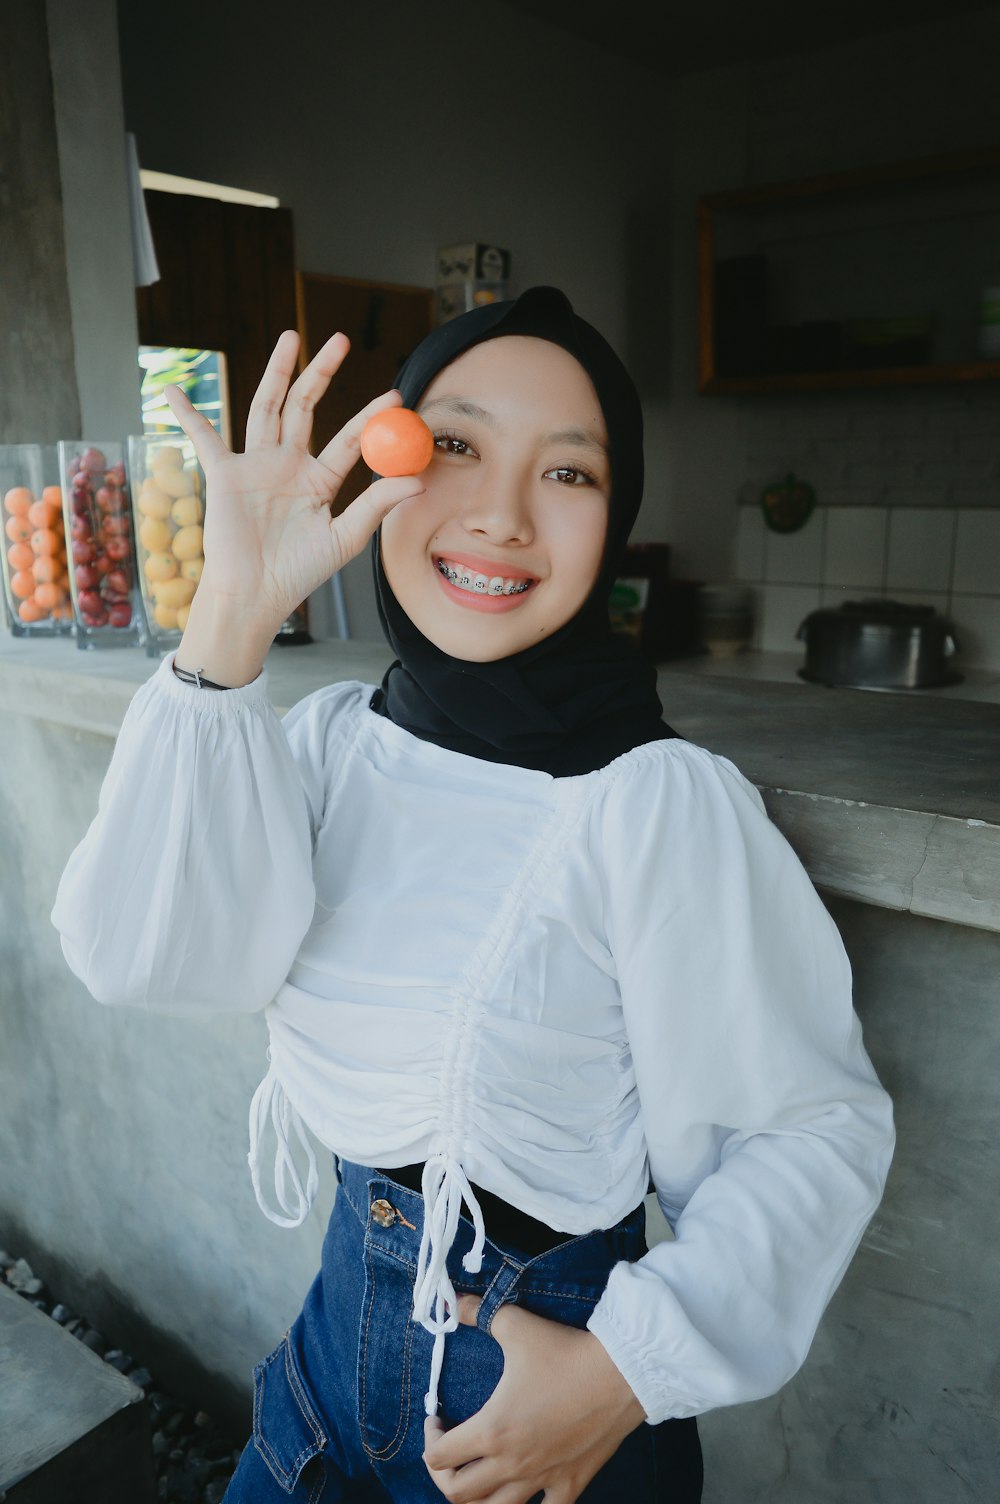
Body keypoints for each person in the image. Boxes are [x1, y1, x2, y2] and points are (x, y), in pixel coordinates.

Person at [51, 287, 894, 1504]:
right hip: (321, 1385)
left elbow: (810, 1129)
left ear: (617, 522)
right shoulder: (335, 743)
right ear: (385, 466)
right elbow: (145, 953)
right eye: (453, 446)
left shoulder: (653, 802)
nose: (498, 516)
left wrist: (622, 1371)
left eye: (569, 474)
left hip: (539, 1437)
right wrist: (231, 614)